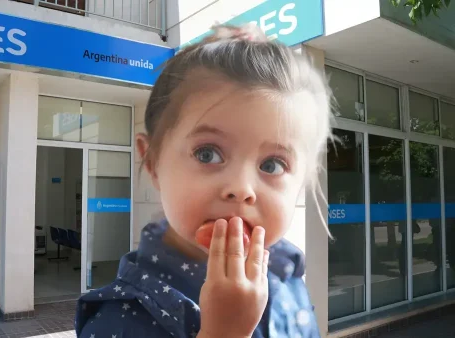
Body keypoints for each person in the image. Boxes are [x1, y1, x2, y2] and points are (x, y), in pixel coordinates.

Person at [75, 23, 334, 338]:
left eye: (272, 164)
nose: (241, 188)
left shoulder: (290, 276)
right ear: (154, 162)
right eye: (207, 154)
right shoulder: (118, 322)